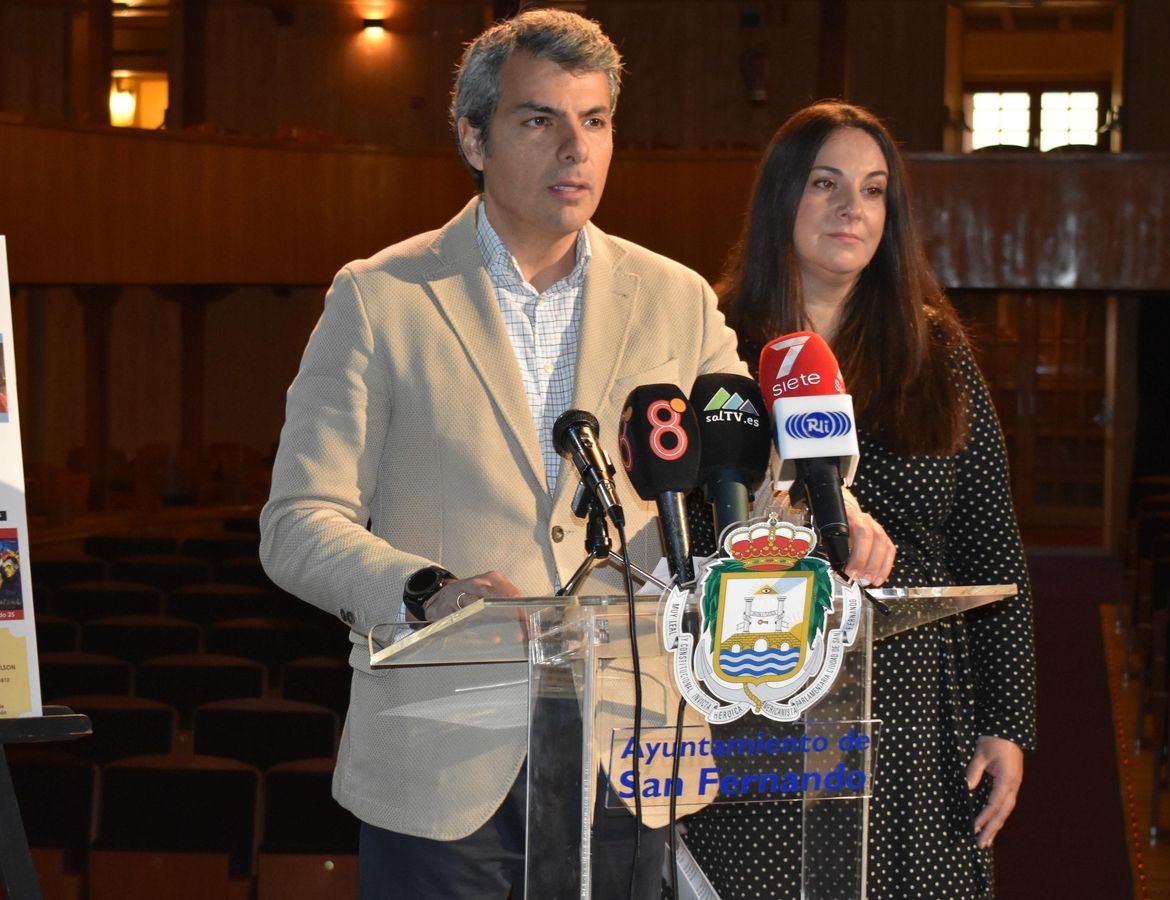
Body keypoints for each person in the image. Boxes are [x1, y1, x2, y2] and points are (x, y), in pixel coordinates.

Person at [259, 13, 891, 899]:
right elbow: (296, 524)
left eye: (594, 122)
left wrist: (828, 514)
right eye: (539, 120)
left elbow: (757, 465)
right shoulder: (380, 298)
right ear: (472, 138)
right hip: (446, 764)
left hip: (634, 758)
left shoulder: (673, 299)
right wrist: (427, 589)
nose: (575, 149)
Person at [679, 101, 1037, 899]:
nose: (853, 208)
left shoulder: (935, 349)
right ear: (781, 199)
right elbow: (679, 526)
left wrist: (1007, 722)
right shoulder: (711, 342)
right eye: (826, 183)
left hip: (914, 706)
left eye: (874, 191)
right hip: (757, 700)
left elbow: (992, 548)